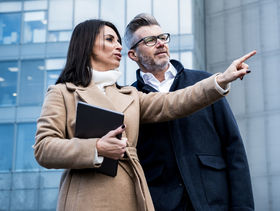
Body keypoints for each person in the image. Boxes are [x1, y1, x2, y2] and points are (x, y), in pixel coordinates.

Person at [33, 19, 255, 211]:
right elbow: (43, 148)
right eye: (110, 40)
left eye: (119, 41)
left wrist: (220, 80)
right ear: (87, 45)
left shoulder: (130, 95)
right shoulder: (63, 92)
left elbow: (174, 102)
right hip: (88, 197)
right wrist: (96, 148)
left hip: (133, 198)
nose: (118, 46)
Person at [125, 13, 254, 211]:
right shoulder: (128, 99)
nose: (160, 43)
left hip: (214, 203)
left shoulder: (206, 83)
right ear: (133, 54)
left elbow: (233, 147)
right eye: (149, 40)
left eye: (162, 37)